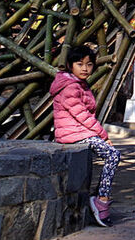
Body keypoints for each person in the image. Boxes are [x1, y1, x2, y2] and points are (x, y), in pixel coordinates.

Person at [51, 44, 121, 226]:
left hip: (79, 132)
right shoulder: (70, 88)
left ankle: (99, 198)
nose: (85, 68)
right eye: (79, 64)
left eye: (89, 65)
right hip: (73, 134)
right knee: (113, 154)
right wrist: (104, 136)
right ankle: (101, 199)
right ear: (69, 65)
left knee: (112, 155)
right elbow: (82, 116)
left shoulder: (78, 84)